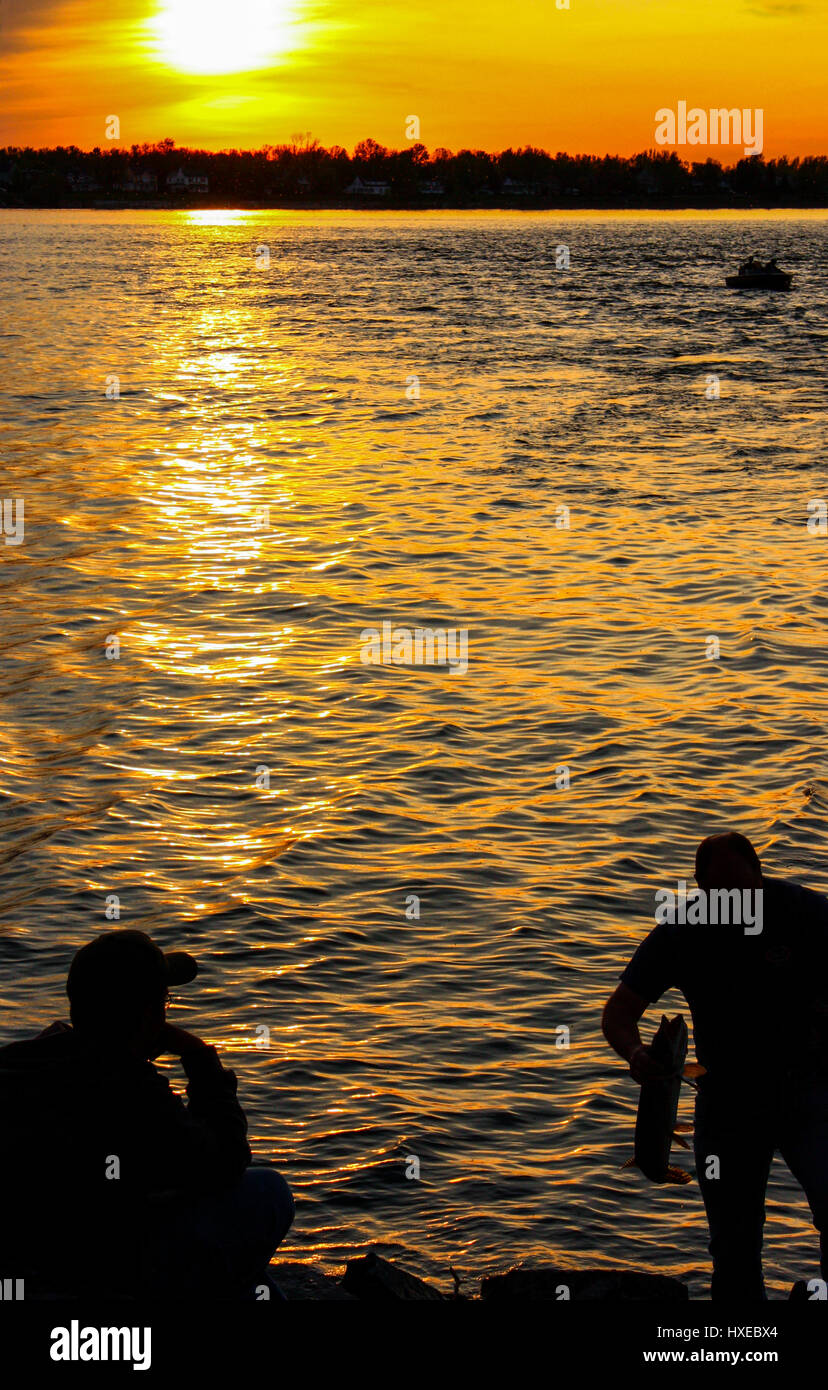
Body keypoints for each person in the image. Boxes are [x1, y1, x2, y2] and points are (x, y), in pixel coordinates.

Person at [0, 929, 294, 1299]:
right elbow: (226, 1159)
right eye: (165, 1001)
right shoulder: (130, 1089)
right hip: (97, 1269)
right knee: (270, 1192)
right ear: (149, 1014)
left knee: (256, 1285)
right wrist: (200, 1060)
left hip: (29, 1263)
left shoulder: (19, 1064)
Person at [602, 832, 828, 1300]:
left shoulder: (804, 911)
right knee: (733, 1243)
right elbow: (619, 1015)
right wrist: (637, 1054)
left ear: (760, 877)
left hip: (810, 1091)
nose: (733, 902)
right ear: (701, 888)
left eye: (742, 890)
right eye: (719, 892)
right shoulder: (682, 931)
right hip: (727, 1103)